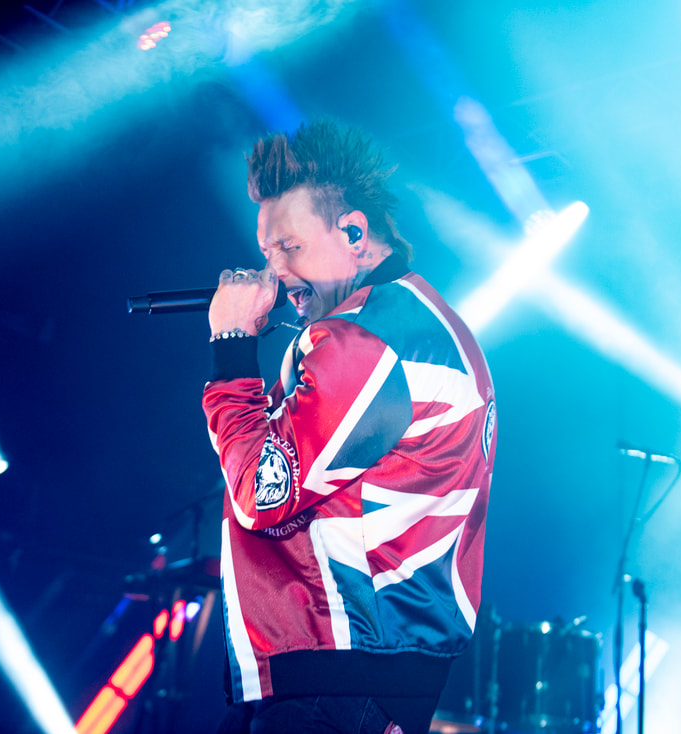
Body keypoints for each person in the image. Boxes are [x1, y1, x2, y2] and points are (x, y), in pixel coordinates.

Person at [203, 120, 496, 734]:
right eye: (267, 253)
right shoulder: (414, 319)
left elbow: (261, 492)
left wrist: (231, 345)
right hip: (364, 670)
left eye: (290, 247)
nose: (274, 273)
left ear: (355, 234)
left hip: (341, 672)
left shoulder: (364, 337)